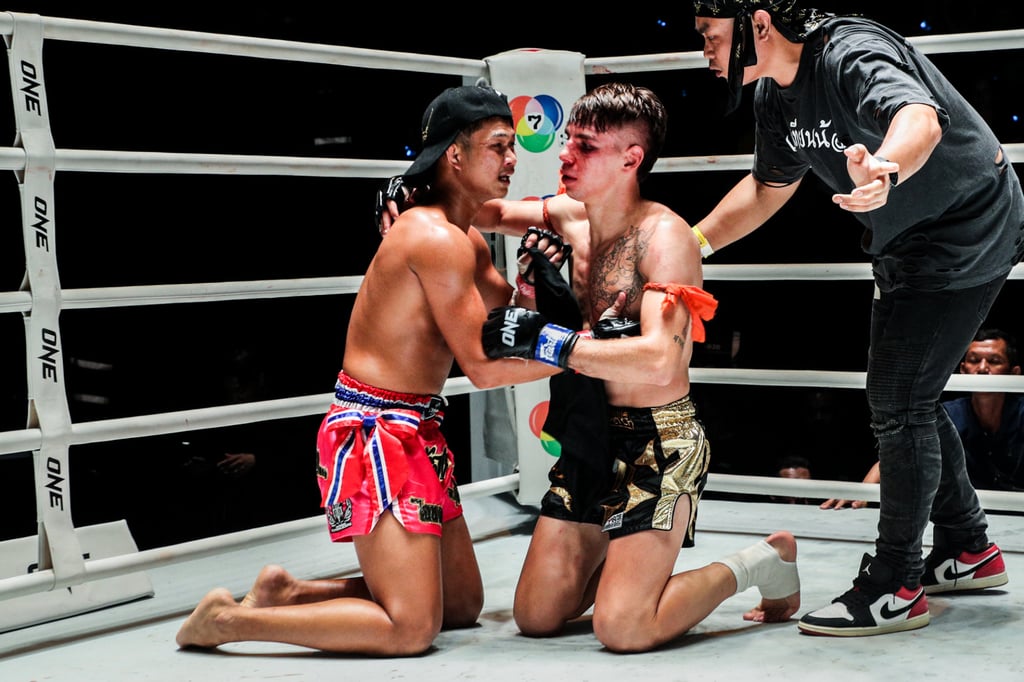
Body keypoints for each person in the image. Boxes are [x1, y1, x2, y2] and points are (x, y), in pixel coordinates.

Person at [175, 84, 567, 655]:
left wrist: (531, 287)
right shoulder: (434, 238)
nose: (512, 159)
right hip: (375, 433)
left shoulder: (465, 240)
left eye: (512, 147)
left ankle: (289, 592)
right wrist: (582, 354)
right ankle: (229, 622)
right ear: (455, 156)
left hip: (416, 426)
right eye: (498, 146)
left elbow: (508, 317)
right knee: (412, 629)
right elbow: (485, 369)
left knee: (460, 604)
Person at [692, 0, 1024, 636]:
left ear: (758, 24)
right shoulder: (773, 97)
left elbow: (917, 116)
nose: (704, 51)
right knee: (906, 398)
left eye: (711, 35)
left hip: (967, 224)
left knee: (899, 401)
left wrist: (887, 166)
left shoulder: (849, 52)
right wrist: (691, 244)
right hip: (903, 239)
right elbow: (766, 188)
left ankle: (895, 585)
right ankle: (967, 548)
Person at [476, 82, 801, 653]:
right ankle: (626, 562)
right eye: (568, 140)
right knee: (536, 616)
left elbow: (658, 359)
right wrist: (414, 191)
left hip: (658, 443)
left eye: (586, 146)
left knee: (623, 629)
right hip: (589, 436)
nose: (565, 155)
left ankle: (761, 562)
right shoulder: (568, 218)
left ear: (631, 159)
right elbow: (486, 210)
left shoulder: (665, 238)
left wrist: (547, 340)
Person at [823, 328, 1024, 509]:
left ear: (1014, 373)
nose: (982, 368)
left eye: (994, 361)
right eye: (974, 360)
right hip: (969, 516)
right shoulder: (948, 414)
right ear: (962, 369)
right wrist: (862, 494)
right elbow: (902, 455)